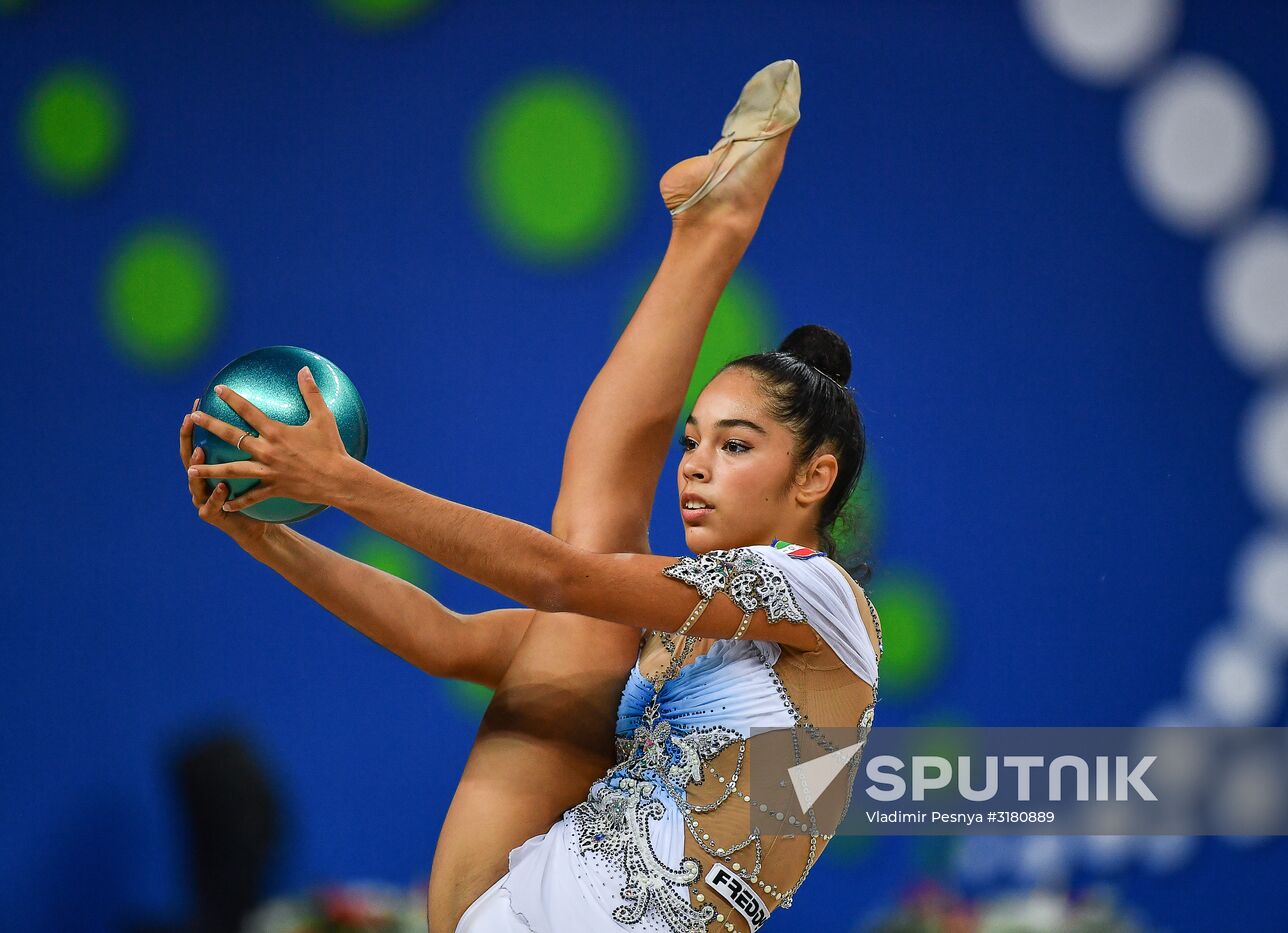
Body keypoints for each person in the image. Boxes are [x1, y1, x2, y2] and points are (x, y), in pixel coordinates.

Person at [179, 60, 882, 933]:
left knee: (588, 540)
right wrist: (266, 537)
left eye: (736, 446)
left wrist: (342, 484)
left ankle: (711, 232)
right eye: (690, 442)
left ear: (815, 477)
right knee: (591, 530)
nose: (695, 467)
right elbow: (444, 639)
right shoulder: (669, 639)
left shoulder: (820, 597)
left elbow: (560, 577)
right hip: (499, 907)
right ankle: (708, 232)